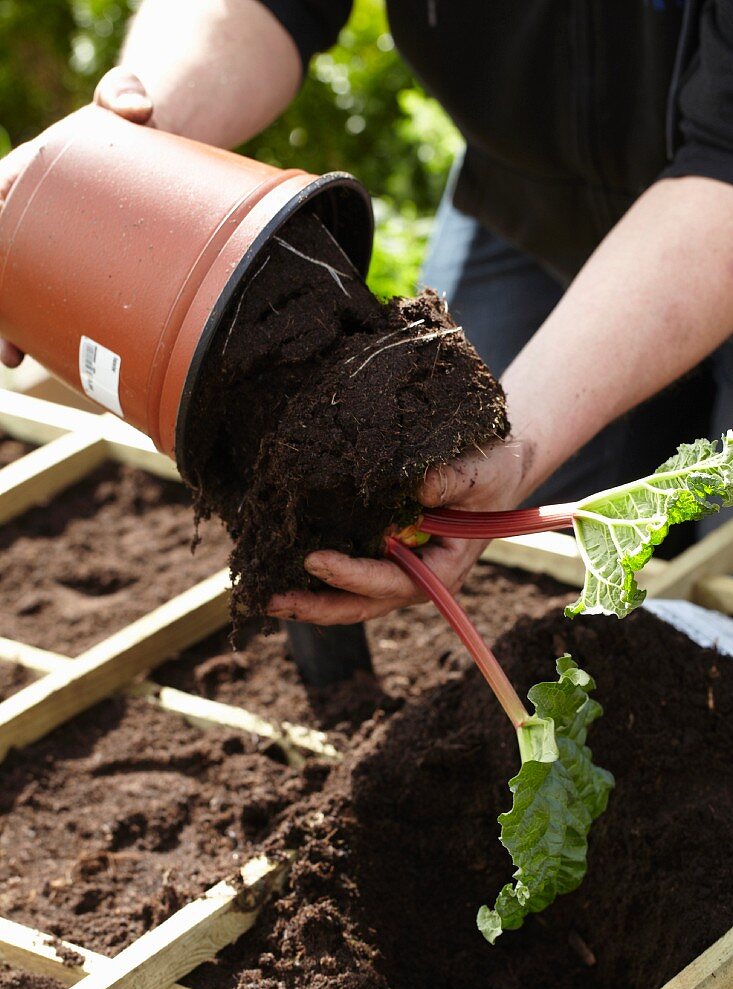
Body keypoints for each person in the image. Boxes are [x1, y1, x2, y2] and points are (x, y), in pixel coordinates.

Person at [2, 0, 733, 629]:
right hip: (525, 199)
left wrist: (526, 440)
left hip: (716, 205)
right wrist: (128, 151)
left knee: (713, 580)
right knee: (438, 477)